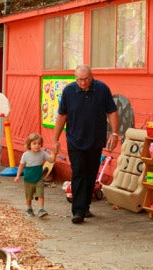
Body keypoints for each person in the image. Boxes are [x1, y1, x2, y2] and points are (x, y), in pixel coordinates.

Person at [53, 64, 119, 224]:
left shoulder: (102, 89)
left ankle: (86, 206)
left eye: (86, 79)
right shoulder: (69, 91)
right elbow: (62, 115)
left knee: (90, 174)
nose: (83, 83)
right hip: (75, 140)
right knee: (78, 172)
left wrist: (115, 134)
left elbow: (112, 111)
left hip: (95, 139)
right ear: (75, 79)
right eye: (79, 80)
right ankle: (78, 211)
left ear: (92, 76)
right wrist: (55, 140)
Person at [14, 133, 56, 217]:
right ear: (29, 144)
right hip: (28, 179)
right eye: (34, 143)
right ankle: (29, 208)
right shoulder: (25, 155)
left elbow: (51, 160)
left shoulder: (42, 153)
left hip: (39, 178)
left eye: (39, 143)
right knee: (29, 196)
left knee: (40, 194)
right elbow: (21, 166)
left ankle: (41, 209)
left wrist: (54, 153)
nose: (37, 145)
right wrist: (18, 176)